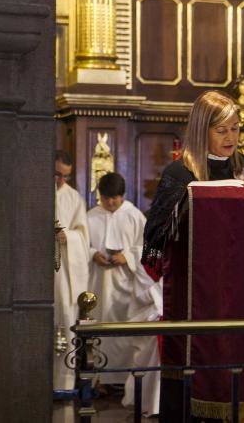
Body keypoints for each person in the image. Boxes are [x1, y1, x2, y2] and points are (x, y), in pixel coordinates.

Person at [142, 90, 244, 422]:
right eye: (221, 130)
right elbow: (153, 237)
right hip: (196, 291)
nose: (231, 137)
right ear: (202, 130)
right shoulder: (179, 174)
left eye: (236, 129)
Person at [87, 172, 161, 415]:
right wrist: (92, 254)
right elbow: (83, 243)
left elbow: (147, 248)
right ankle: (102, 380)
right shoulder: (91, 216)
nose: (110, 204)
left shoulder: (133, 215)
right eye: (106, 199)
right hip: (99, 282)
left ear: (123, 196)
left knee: (125, 332)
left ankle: (123, 378)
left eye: (115, 199)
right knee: (101, 329)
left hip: (128, 285)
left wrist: (127, 256)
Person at [54, 150, 90, 391]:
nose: (61, 181)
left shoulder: (74, 197)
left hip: (63, 272)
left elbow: (83, 235)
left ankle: (63, 384)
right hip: (34, 270)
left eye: (66, 176)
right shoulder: (31, 188)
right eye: (57, 174)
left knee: (65, 321)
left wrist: (69, 237)